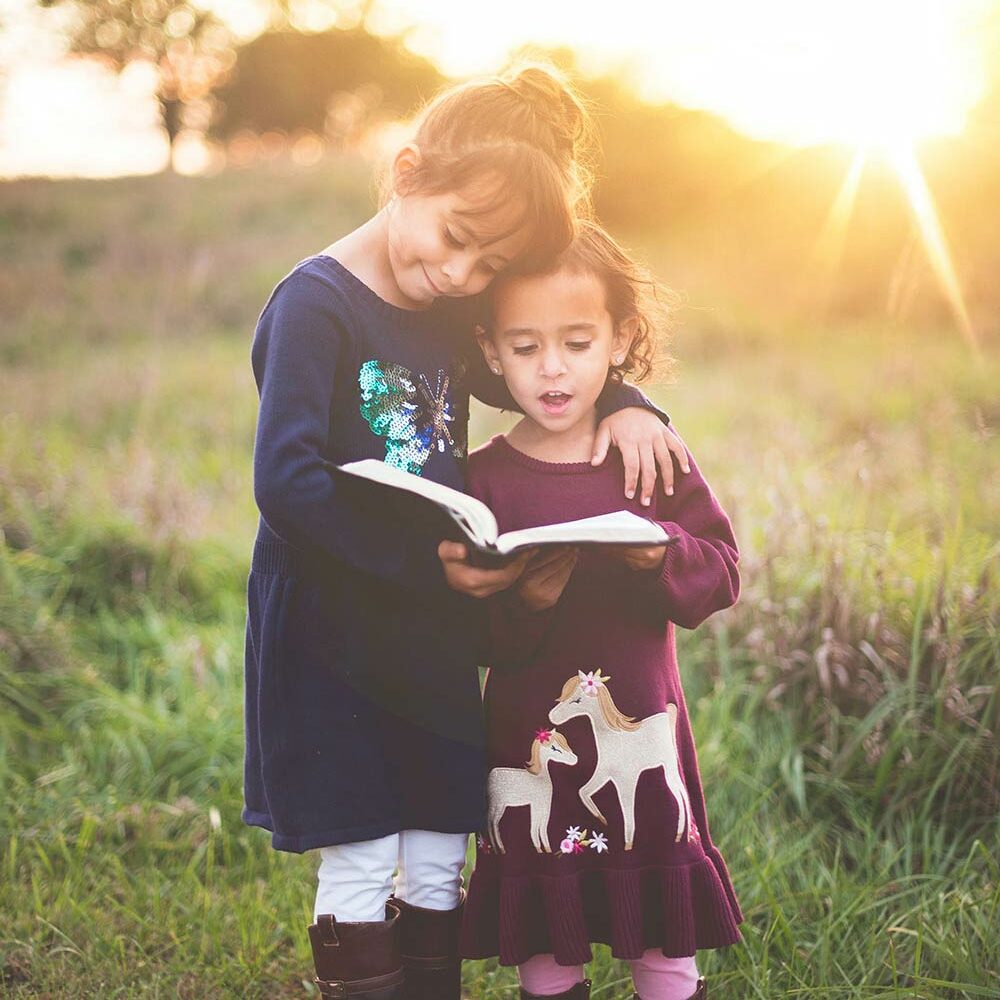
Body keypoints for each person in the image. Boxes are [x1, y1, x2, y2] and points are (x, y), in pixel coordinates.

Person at [243, 65, 688, 1000]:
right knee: (364, 850)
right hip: (333, 632)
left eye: (487, 269)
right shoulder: (314, 305)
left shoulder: (446, 315)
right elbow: (283, 481)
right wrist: (425, 561)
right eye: (457, 242)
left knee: (443, 846)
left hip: (433, 634)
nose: (461, 276)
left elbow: (535, 376)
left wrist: (635, 403)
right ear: (407, 173)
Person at [459, 222, 743, 1000]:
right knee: (548, 949)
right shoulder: (483, 482)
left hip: (644, 733)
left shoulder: (648, 454)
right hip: (529, 744)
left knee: (663, 939)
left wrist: (659, 557)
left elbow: (721, 573)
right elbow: (466, 634)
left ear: (620, 340)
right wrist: (527, 601)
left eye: (577, 343)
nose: (552, 368)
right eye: (524, 348)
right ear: (490, 350)